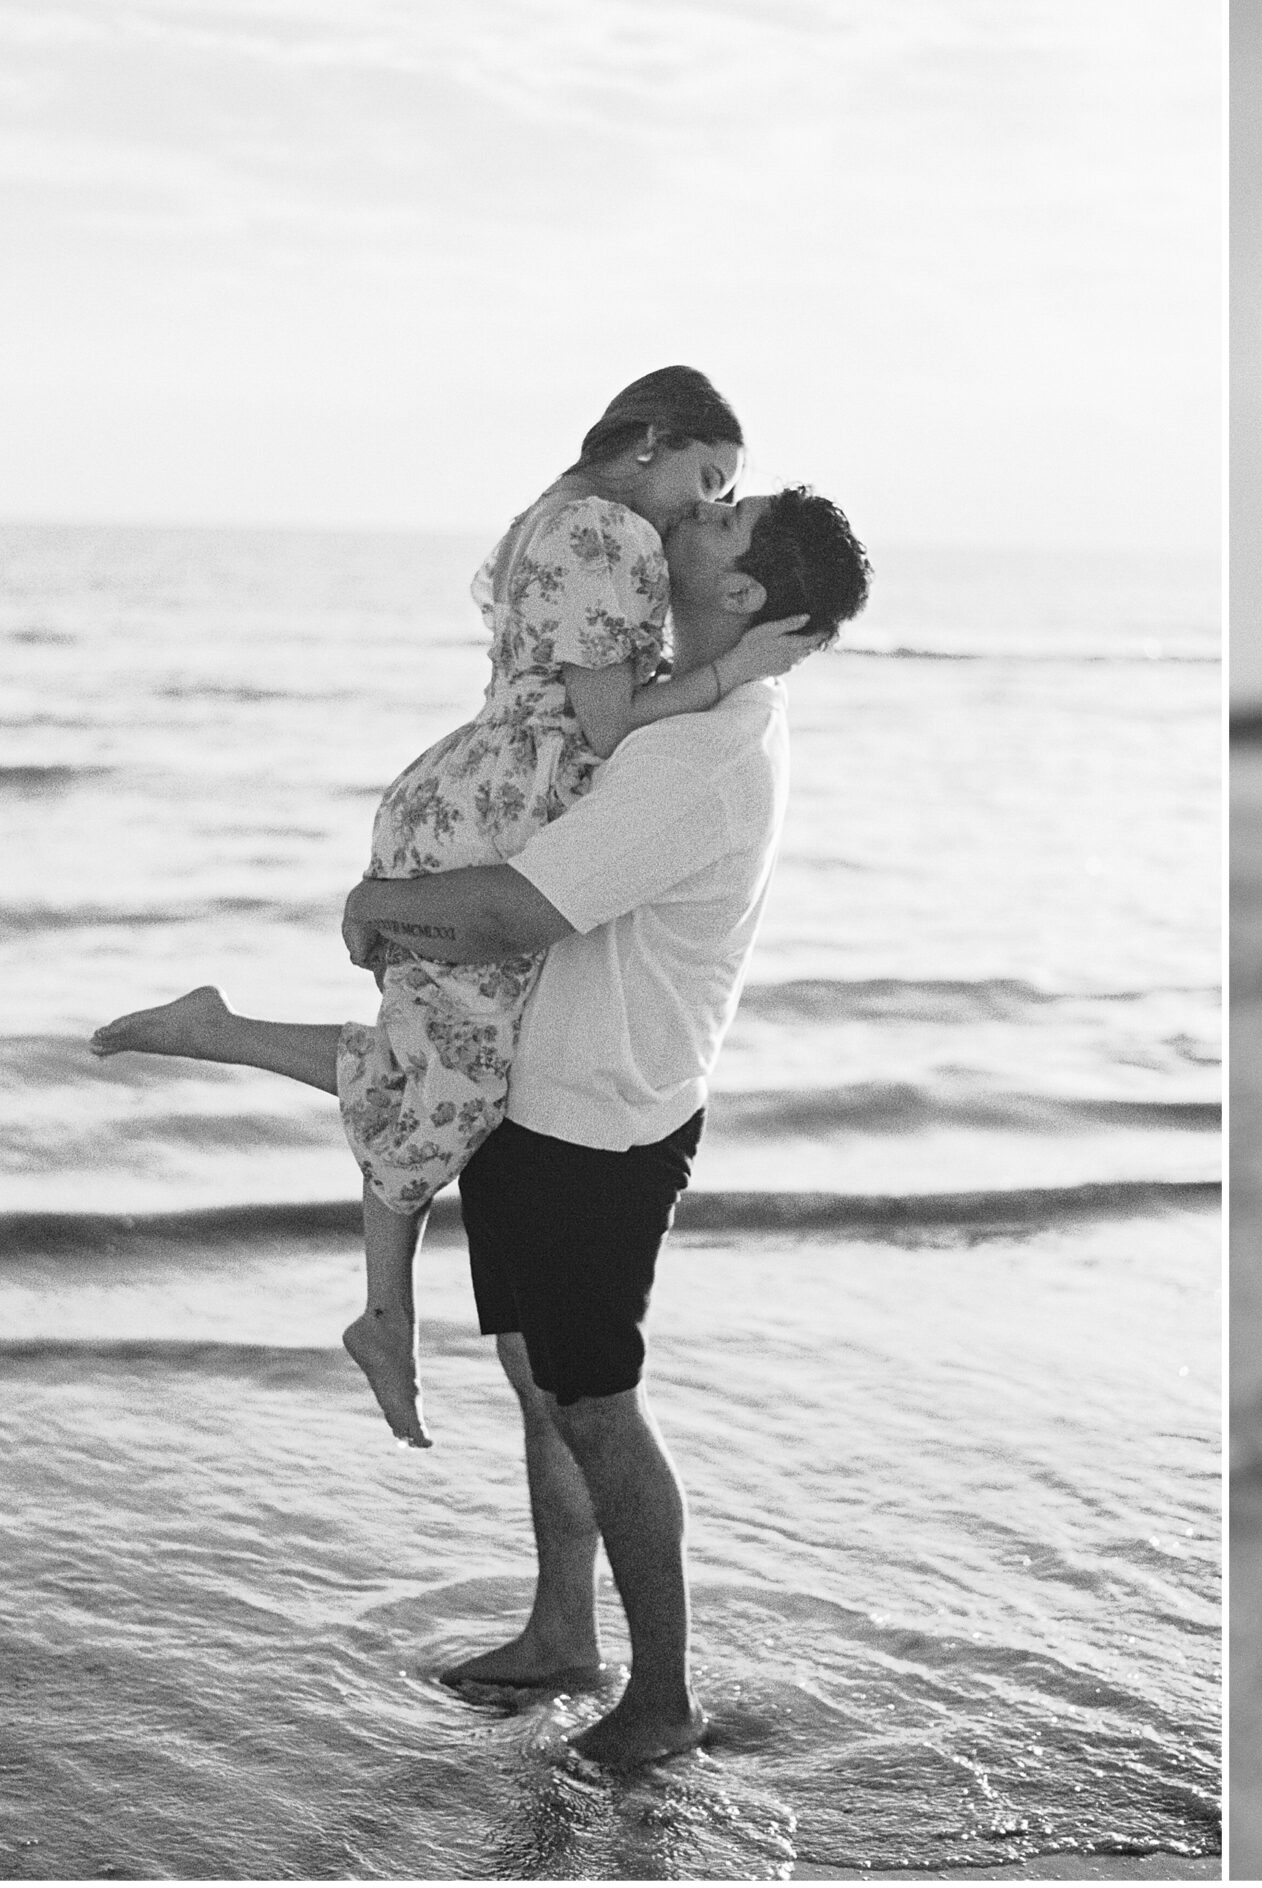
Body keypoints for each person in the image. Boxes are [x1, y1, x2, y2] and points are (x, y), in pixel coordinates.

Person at [89, 478, 873, 1766]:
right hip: (546, 1090)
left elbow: (517, 911)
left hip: (595, 1124)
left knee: (596, 1401)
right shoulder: (693, 697)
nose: (688, 521)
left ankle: (663, 1701)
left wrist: (377, 908)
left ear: (741, 594)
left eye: (720, 524)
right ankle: (564, 1633)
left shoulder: (698, 755)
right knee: (538, 1381)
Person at [98, 366, 822, 1449]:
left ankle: (381, 1310)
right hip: (495, 817)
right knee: (462, 1080)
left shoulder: (550, 517)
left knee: (433, 1058)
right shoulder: (609, 535)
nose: (702, 510)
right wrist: (731, 676)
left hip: (466, 796)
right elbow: (613, 727)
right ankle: (371, 1295)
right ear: (650, 444)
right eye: (706, 478)